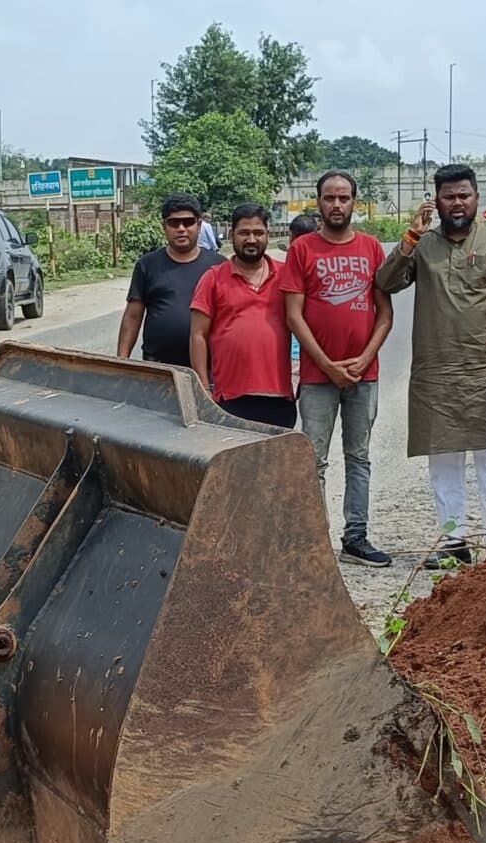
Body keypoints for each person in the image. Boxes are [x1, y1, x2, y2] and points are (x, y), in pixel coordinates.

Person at [374, 163, 486, 568]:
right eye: (449, 196)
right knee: (443, 461)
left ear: (477, 198)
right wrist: (410, 236)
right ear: (437, 201)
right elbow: (386, 282)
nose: (457, 202)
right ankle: (454, 542)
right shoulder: (423, 246)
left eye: (464, 194)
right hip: (437, 373)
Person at [284, 170, 395, 566]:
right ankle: (313, 543)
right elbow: (294, 316)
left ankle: (356, 537)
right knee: (313, 460)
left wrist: (364, 358)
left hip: (365, 375)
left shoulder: (371, 248)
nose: (336, 205)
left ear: (354, 202)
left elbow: (385, 313)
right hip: (318, 378)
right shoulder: (302, 251)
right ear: (318, 202)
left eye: (344, 198)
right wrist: (326, 364)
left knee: (359, 456)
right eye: (329, 198)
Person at [189, 204, 296, 426]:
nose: (251, 239)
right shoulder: (213, 279)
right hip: (229, 398)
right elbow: (197, 335)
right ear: (231, 235)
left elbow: (305, 325)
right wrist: (204, 388)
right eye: (244, 233)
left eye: (258, 233)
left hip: (279, 396)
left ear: (268, 234)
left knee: (276, 460)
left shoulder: (286, 276)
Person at [117, 194, 223, 367]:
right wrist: (121, 361)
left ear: (199, 224)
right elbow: (133, 316)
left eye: (188, 222)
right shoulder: (147, 265)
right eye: (174, 223)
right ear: (164, 226)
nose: (181, 228)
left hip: (208, 366)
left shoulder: (219, 266)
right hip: (159, 367)